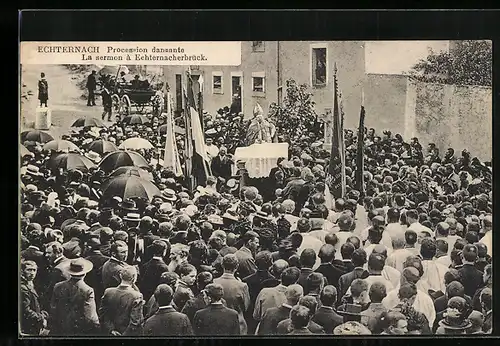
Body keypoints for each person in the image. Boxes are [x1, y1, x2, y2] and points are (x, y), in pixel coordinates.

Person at [48, 258, 100, 335]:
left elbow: (53, 308)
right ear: (85, 273)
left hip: (60, 327)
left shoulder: (58, 286)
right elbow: (90, 315)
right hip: (78, 329)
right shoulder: (88, 290)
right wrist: (97, 325)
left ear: (70, 272)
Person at [98, 265, 144, 336]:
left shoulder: (108, 292)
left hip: (110, 334)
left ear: (120, 276)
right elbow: (135, 321)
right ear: (134, 278)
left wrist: (111, 330)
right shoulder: (137, 296)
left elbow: (103, 314)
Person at [214, 254, 251, 335]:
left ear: (222, 265)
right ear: (237, 266)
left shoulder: (214, 282)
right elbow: (246, 306)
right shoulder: (242, 286)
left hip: (217, 321)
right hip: (237, 323)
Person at [20, 260, 48, 335]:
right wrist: (41, 318)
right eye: (29, 270)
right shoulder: (23, 287)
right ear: (22, 271)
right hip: (28, 326)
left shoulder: (31, 283)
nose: (32, 273)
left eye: (34, 270)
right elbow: (26, 311)